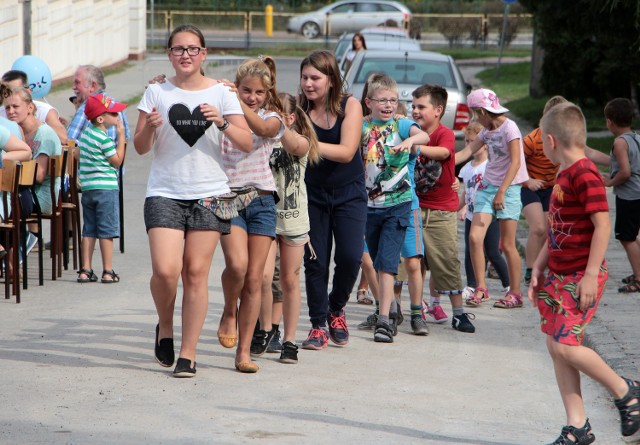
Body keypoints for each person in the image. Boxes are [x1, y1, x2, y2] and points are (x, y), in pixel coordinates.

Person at [133, 24, 252, 378]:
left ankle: (188, 354)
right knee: (166, 271)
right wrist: (150, 127)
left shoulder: (222, 93)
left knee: (197, 273)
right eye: (178, 49)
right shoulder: (156, 91)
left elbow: (246, 143)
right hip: (165, 191)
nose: (185, 55)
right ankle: (165, 326)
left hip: (210, 193)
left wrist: (223, 124)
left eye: (192, 49)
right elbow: (139, 148)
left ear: (204, 54)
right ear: (169, 54)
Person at [528, 101, 640, 444]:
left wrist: (591, 274)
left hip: (581, 275)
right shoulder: (564, 173)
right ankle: (577, 426)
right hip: (559, 275)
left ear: (550, 141)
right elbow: (556, 227)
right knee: (556, 344)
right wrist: (539, 264)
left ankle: (627, 393)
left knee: (565, 345)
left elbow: (603, 225)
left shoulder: (585, 173)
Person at [217, 56, 284, 373]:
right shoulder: (223, 116)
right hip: (229, 198)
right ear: (237, 86)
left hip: (262, 200)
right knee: (238, 266)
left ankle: (243, 352)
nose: (252, 97)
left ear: (267, 94)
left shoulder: (272, 118)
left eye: (259, 92)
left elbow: (260, 127)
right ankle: (230, 309)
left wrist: (234, 102)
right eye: (245, 91)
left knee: (257, 278)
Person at [299, 50, 366, 350]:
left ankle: (336, 308)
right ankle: (317, 325)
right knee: (316, 262)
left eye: (315, 78)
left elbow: (347, 151)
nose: (309, 84)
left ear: (331, 79)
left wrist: (305, 143)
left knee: (351, 257)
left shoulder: (350, 105)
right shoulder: (299, 111)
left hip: (349, 194)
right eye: (304, 78)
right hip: (311, 195)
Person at [360, 73, 430, 343]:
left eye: (393, 100)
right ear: (369, 102)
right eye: (382, 100)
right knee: (377, 261)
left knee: (391, 263)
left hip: (398, 205)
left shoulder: (402, 125)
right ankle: (391, 309)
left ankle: (387, 321)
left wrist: (411, 141)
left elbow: (422, 134)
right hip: (368, 206)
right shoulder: (363, 128)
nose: (388, 104)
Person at [411, 84, 476, 333]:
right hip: (413, 208)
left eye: (421, 107)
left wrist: (414, 145)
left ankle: (459, 314)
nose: (415, 111)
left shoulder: (444, 133)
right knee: (408, 265)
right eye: (413, 106)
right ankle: (394, 310)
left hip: (440, 212)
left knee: (447, 261)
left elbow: (444, 152)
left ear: (438, 110)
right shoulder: (410, 131)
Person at [261, 91, 320, 363]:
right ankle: (264, 331)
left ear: (290, 118)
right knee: (262, 278)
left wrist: (278, 126)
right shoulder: (260, 140)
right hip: (266, 219)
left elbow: (294, 147)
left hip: (294, 221)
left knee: (289, 280)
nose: (269, 119)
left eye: (276, 113)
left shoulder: (301, 142)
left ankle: (290, 340)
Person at [458, 88, 528, 310]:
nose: (476, 119)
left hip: (508, 188)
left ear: (483, 111)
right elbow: (465, 153)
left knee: (507, 245)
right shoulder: (486, 132)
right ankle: (481, 287)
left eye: (476, 114)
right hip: (487, 187)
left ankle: (515, 293)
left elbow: (516, 162)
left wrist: (502, 192)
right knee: (475, 238)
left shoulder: (510, 128)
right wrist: (441, 158)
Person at [75, 94, 127, 284]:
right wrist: (121, 137)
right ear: (101, 119)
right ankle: (107, 270)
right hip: (106, 189)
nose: (118, 115)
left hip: (89, 189)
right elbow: (117, 161)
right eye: (113, 113)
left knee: (89, 229)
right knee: (106, 230)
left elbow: (76, 154)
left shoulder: (86, 135)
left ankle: (85, 270)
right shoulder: (104, 139)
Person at [458, 122, 509, 303]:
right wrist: (460, 207)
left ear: (485, 144)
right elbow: (466, 192)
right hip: (472, 215)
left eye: (472, 141)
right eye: (466, 141)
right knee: (470, 251)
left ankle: (508, 285)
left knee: (492, 252)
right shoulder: (466, 169)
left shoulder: (490, 166)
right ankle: (472, 285)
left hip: (489, 216)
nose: (468, 145)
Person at [603, 98, 640, 293]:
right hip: (638, 192)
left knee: (626, 237)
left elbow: (625, 172)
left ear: (609, 121)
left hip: (630, 196)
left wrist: (609, 182)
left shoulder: (619, 142)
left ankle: (639, 278)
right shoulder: (636, 137)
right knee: (632, 235)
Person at [67, 65, 130, 146]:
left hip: (93, 158)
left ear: (93, 86)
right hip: (115, 157)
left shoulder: (87, 107)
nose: (73, 87)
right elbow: (126, 138)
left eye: (77, 82)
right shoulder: (116, 105)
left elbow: (69, 144)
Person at [1, 70, 68, 144]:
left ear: (28, 91)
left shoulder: (45, 111)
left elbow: (63, 138)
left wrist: (33, 125)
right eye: (6, 92)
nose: (11, 111)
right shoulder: (2, 112)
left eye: (16, 90)